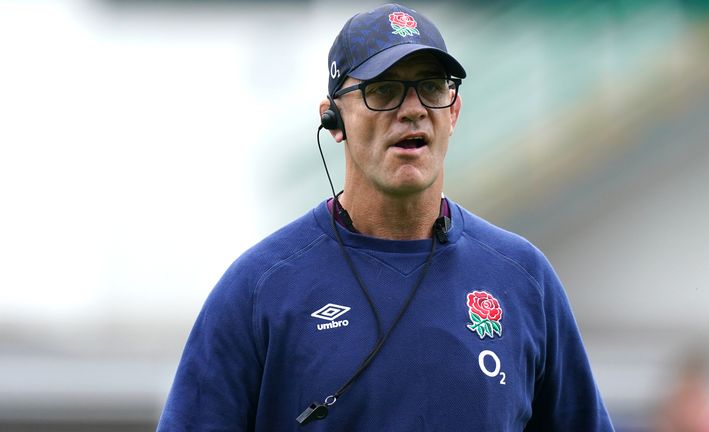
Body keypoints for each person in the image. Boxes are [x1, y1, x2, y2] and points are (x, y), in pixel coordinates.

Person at [157, 3, 614, 431]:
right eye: (383, 90)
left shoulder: (523, 278)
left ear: (453, 112)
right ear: (334, 120)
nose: (412, 109)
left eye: (432, 88)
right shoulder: (260, 289)